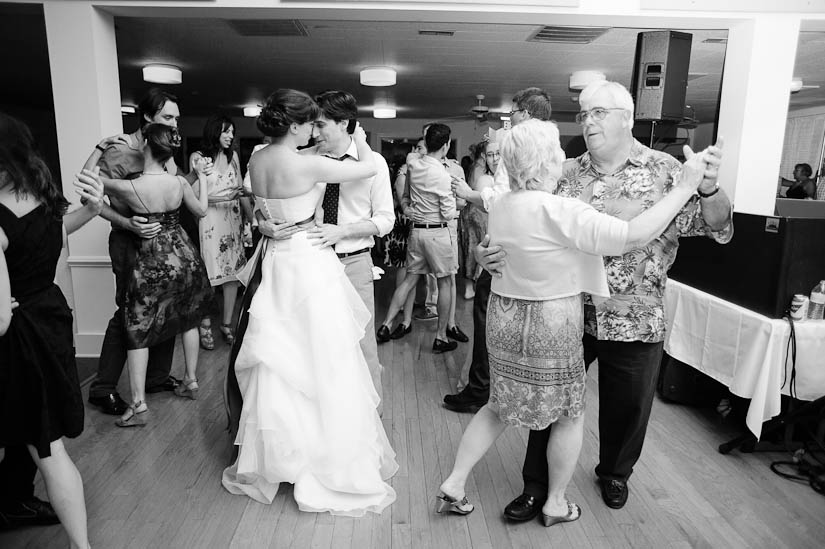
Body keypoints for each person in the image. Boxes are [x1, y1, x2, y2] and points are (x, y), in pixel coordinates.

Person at [436, 118, 711, 526]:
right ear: (545, 163)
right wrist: (687, 186)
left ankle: (455, 483)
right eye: (556, 153)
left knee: (497, 406)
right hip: (550, 320)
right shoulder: (560, 208)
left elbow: (497, 246)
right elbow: (633, 236)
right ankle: (556, 502)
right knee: (569, 413)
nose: (564, 158)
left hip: (505, 317)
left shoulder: (503, 204)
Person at [489, 80, 732, 519]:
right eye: (583, 114)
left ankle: (615, 473)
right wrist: (490, 253)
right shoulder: (561, 173)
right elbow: (521, 227)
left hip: (635, 314)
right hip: (563, 313)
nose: (588, 122)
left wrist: (710, 189)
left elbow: (718, 228)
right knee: (550, 403)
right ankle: (536, 486)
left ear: (627, 116)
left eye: (598, 112)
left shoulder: (667, 171)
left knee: (628, 406)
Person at [221, 89, 397, 516]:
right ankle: (328, 452)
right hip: (308, 261)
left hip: (278, 263)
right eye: (311, 123)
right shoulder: (308, 163)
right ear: (297, 126)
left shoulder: (259, 157)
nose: (316, 130)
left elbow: (257, 200)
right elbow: (369, 165)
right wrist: (350, 143)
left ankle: (280, 457)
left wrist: (265, 221)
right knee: (325, 358)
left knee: (280, 359)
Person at [0, 112, 105, 548]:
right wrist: (94, 209)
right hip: (50, 319)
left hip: (16, 338)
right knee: (46, 446)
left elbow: (0, 318)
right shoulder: (41, 202)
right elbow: (61, 230)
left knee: (40, 448)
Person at [83, 123, 216, 427]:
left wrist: (101, 148)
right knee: (189, 317)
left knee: (137, 327)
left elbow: (87, 179)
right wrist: (204, 178)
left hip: (152, 258)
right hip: (184, 254)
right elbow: (203, 210)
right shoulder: (179, 182)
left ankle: (139, 403)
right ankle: (191, 380)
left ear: (145, 147)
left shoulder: (131, 187)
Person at [445, 87, 553, 413]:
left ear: (527, 114)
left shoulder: (517, 147)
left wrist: (467, 191)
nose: (510, 117)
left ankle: (481, 389)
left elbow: (505, 199)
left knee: (486, 317)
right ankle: (512, 389)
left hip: (505, 250)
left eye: (514, 111)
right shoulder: (550, 149)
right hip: (532, 251)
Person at [86, 88, 184, 416]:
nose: (173, 124)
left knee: (165, 305)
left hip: (163, 244)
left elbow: (177, 189)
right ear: (147, 117)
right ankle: (102, 388)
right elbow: (92, 198)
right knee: (129, 312)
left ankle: (156, 377)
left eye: (176, 119)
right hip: (129, 242)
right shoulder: (119, 151)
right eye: (167, 117)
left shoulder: (165, 149)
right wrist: (128, 225)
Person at [377, 123, 460, 353]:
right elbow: (448, 213)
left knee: (410, 279)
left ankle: (386, 324)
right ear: (445, 147)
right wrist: (456, 200)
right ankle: (441, 337)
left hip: (416, 233)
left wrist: (405, 204)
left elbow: (407, 186)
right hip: (436, 234)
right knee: (444, 282)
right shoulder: (443, 176)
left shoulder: (413, 162)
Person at [189, 115, 247, 350]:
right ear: (214, 132)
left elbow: (240, 190)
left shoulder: (233, 158)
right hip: (210, 222)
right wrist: (222, 197)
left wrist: (250, 220)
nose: (230, 136)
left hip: (232, 221)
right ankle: (204, 324)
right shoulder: (199, 158)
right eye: (226, 131)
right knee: (210, 276)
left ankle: (226, 323)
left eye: (232, 132)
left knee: (232, 276)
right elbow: (191, 196)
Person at [456, 139, 498, 301]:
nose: (495, 159)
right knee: (475, 248)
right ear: (483, 156)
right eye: (490, 154)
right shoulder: (484, 176)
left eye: (498, 154)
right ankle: (470, 285)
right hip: (477, 215)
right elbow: (482, 198)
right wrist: (467, 194)